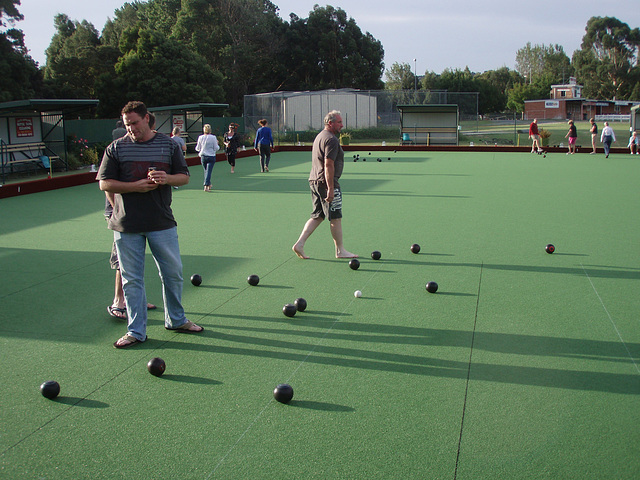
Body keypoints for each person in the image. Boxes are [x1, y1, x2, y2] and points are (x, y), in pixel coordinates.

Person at [97, 101, 203, 348]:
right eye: (127, 125)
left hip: (161, 222)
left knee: (173, 274)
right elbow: (105, 183)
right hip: (126, 225)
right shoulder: (116, 148)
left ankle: (176, 320)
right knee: (131, 280)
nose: (131, 129)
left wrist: (166, 179)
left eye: (134, 123)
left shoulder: (168, 145)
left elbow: (184, 177)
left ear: (147, 119)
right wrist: (134, 187)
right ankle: (136, 331)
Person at [292, 110, 357, 260]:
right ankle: (340, 250)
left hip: (314, 180)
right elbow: (328, 165)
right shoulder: (332, 140)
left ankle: (299, 244)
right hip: (326, 183)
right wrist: (331, 188)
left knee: (318, 215)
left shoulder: (320, 136)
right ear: (330, 123)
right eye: (339, 122)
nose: (342, 125)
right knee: (335, 218)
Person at [195, 124, 219, 191]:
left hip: (203, 156)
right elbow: (216, 148)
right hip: (211, 156)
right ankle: (206, 185)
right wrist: (217, 144)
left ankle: (208, 184)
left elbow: (197, 148)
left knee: (206, 171)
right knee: (208, 171)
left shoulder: (200, 137)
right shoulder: (213, 137)